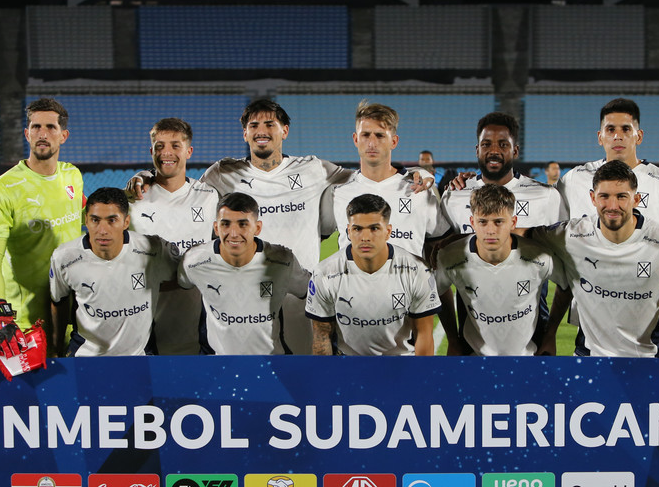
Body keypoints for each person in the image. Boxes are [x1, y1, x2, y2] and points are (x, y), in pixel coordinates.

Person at [130, 99, 435, 354]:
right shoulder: (223, 173)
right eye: (254, 126)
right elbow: (183, 189)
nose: (261, 131)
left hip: (303, 297)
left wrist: (414, 172)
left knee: (306, 375)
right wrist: (145, 176)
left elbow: (368, 177)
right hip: (246, 300)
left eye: (270, 124)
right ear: (245, 133)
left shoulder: (314, 169)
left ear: (284, 131)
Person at [528, 161, 659, 378]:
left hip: (654, 361)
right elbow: (520, 235)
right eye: (604, 196)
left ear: (636, 199)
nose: (612, 205)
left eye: (621, 196)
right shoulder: (572, 234)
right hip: (591, 360)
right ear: (592, 198)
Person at [555, 98, 659, 356]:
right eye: (610, 129)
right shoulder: (574, 180)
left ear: (638, 136)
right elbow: (550, 230)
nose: (617, 136)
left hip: (648, 318)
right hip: (592, 315)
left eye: (625, 129)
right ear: (600, 136)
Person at [0, 98, 85, 357]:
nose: (42, 133)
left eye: (50, 127)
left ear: (63, 136)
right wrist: (1, 312)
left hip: (68, 315)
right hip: (21, 322)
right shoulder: (2, 189)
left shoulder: (72, 176)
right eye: (36, 127)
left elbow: (88, 216)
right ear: (27, 134)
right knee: (11, 386)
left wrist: (131, 193)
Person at [437, 184, 565, 356]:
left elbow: (566, 286)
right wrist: (453, 339)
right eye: (483, 222)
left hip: (527, 358)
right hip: (475, 358)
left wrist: (550, 335)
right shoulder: (450, 257)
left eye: (498, 222)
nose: (490, 231)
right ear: (472, 222)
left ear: (513, 222)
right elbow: (439, 290)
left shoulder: (540, 257)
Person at [49, 188, 179, 357]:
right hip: (86, 357)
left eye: (112, 220)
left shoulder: (153, 249)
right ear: (86, 220)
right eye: (95, 220)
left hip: (140, 356)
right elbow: (58, 301)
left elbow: (183, 278)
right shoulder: (64, 257)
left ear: (126, 222)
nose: (103, 230)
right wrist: (56, 349)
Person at [306, 194, 441, 356]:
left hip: (401, 362)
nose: (365, 238)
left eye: (374, 228)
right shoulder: (324, 274)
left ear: (388, 231)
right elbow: (322, 336)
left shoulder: (416, 270)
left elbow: (424, 335)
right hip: (348, 364)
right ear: (349, 231)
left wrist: (419, 373)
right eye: (357, 229)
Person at [178, 193, 310, 355]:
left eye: (243, 224)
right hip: (218, 362)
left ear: (257, 228)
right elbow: (183, 282)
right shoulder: (195, 261)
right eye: (226, 224)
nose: (234, 233)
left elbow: (307, 290)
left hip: (272, 361)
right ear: (216, 228)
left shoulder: (283, 261)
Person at [128, 118, 218, 355]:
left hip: (193, 309)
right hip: (144, 309)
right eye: (159, 146)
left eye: (175, 145)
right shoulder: (133, 198)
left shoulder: (209, 196)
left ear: (189, 151)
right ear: (151, 151)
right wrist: (142, 176)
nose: (166, 152)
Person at [323, 101, 451, 262]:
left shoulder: (418, 190)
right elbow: (313, 236)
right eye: (365, 135)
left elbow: (441, 241)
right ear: (355, 139)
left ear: (394, 141)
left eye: (380, 135)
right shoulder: (338, 192)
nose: (372, 143)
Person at [442, 112, 565, 235]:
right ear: (477, 150)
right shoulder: (454, 195)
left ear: (515, 151)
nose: (494, 151)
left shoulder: (547, 196)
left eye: (503, 145)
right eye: (486, 144)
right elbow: (443, 243)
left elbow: (562, 242)